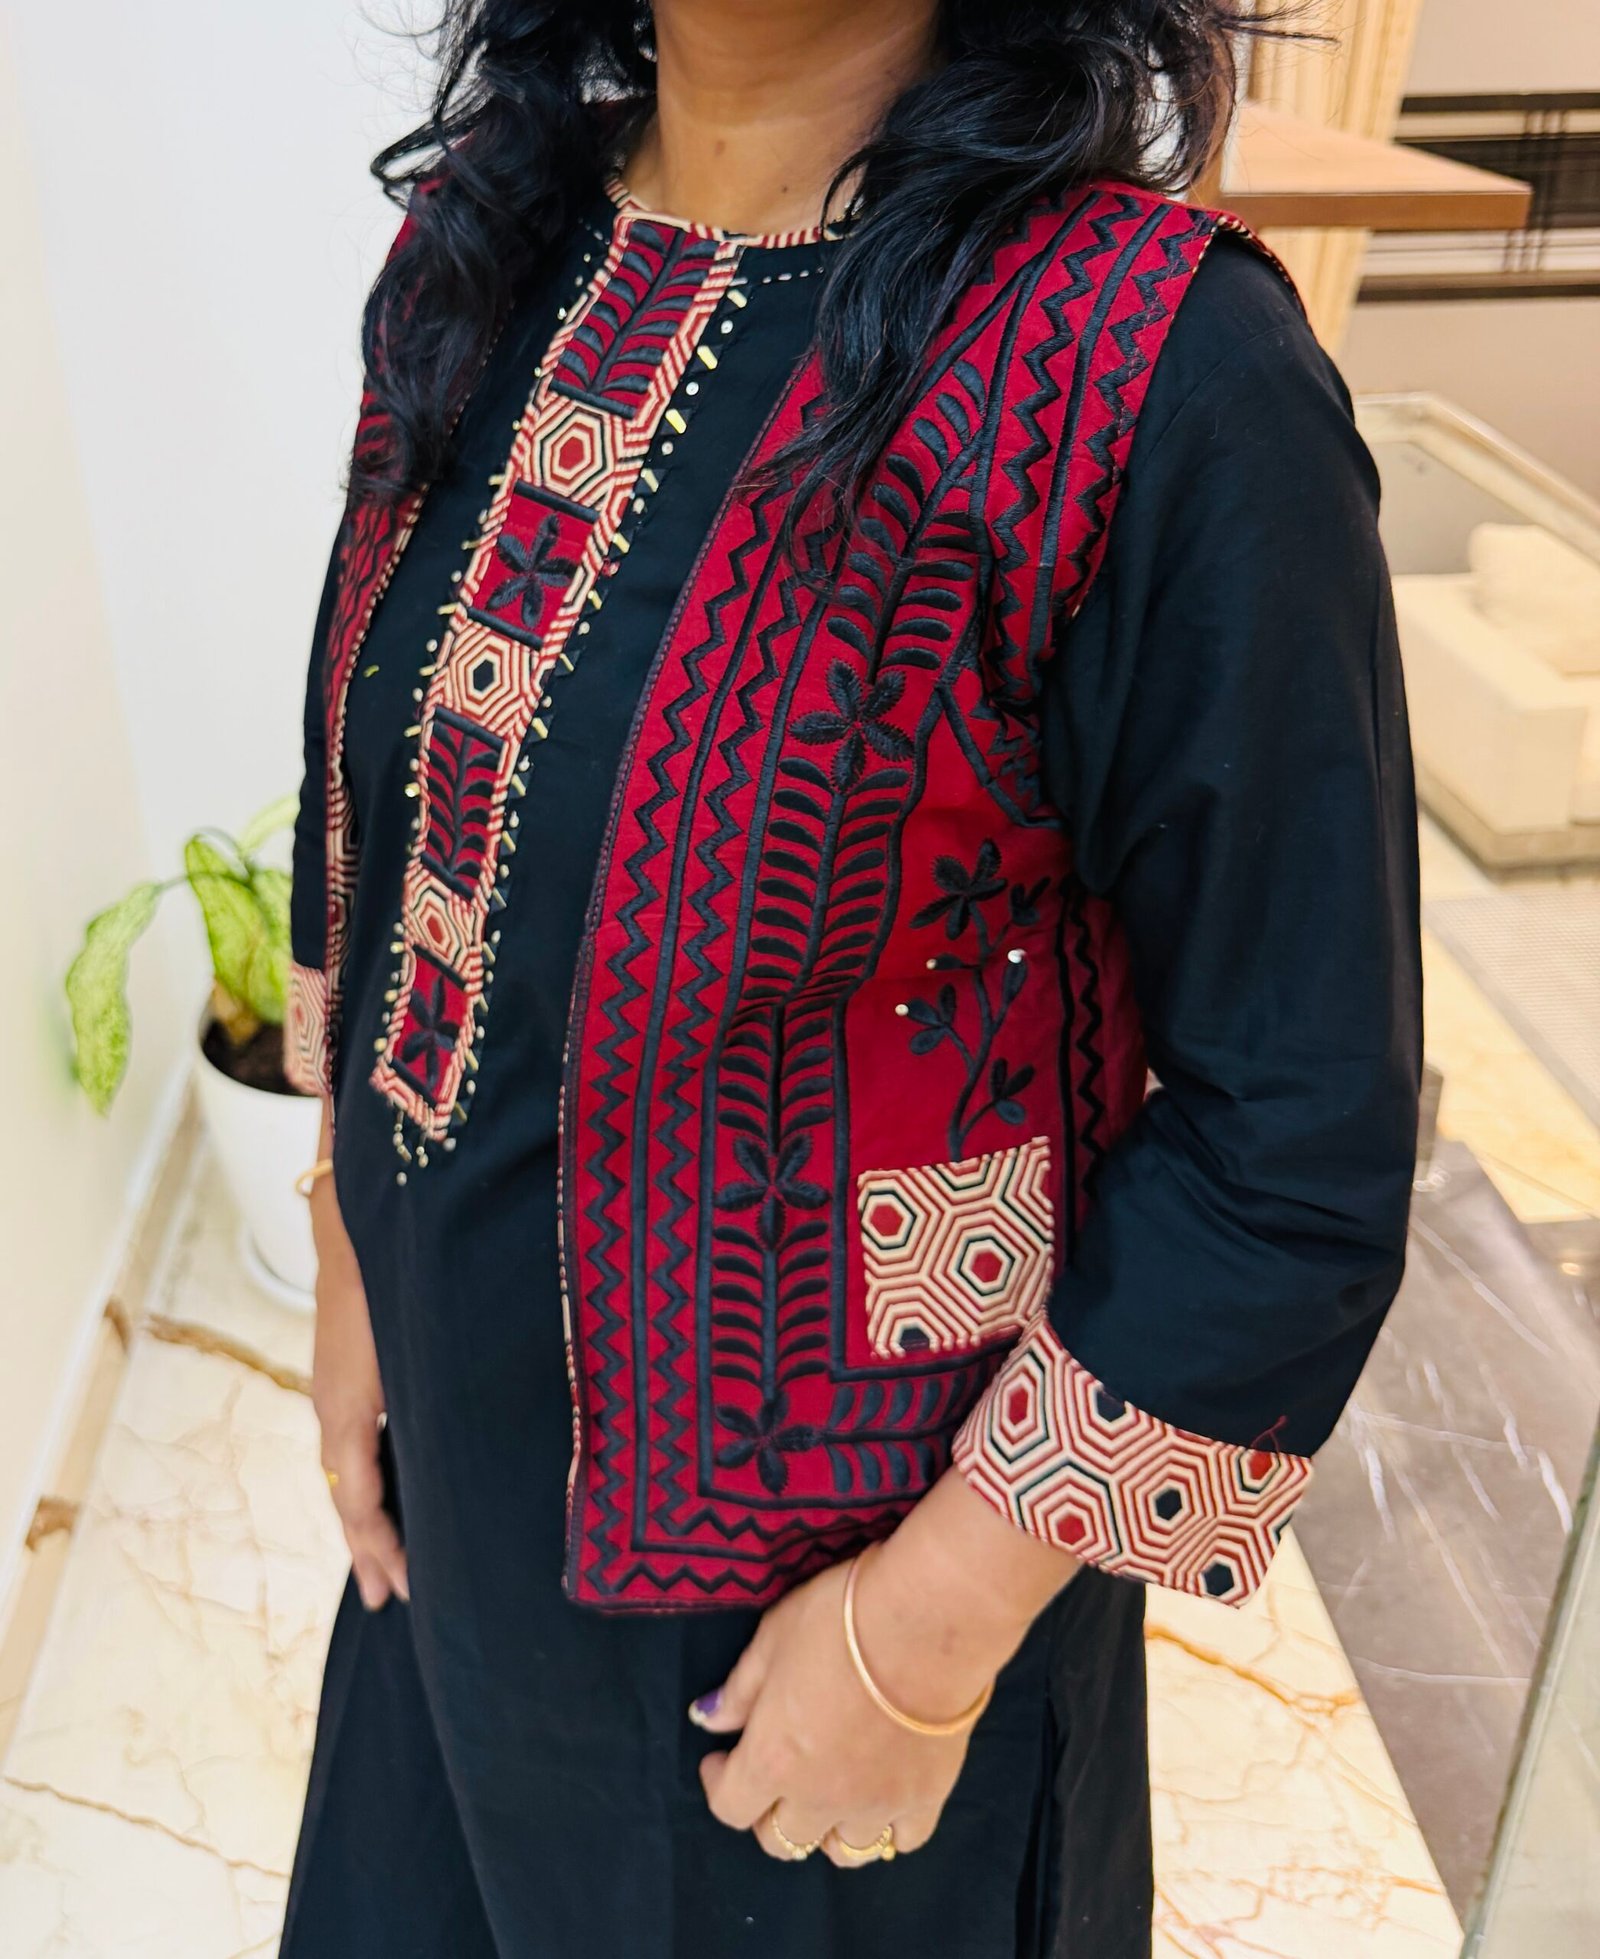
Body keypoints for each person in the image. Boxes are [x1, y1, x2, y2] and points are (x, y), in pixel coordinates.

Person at [280, 3, 1422, 1954]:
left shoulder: (1158, 364)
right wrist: (347, 1232)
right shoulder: (494, 233)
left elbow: (1296, 1131)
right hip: (449, 1510)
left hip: (827, 1626)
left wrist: (927, 1632)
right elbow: (376, 791)